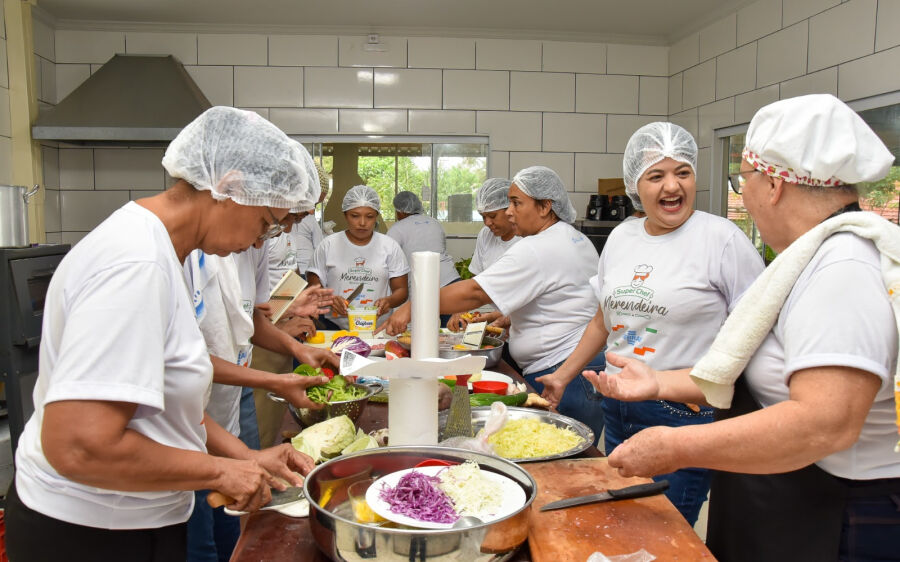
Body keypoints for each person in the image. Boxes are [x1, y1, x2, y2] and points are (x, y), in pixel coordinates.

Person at [587, 94, 899, 561]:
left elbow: (822, 424)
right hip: (791, 497)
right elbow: (757, 365)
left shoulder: (844, 269)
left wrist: (676, 445)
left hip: (836, 514)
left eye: (744, 180)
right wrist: (659, 382)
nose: (743, 195)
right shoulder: (809, 260)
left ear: (772, 184)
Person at [5, 107, 320, 562]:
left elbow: (171, 401)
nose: (259, 241)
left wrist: (246, 457)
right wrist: (218, 472)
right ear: (228, 187)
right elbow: (78, 445)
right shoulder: (136, 264)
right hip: (92, 532)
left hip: (130, 518)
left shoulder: (167, 253)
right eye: (267, 221)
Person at [536, 122, 764, 525]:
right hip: (618, 407)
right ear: (634, 185)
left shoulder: (722, 240)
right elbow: (604, 321)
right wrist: (562, 374)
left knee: (664, 530)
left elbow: (755, 334)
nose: (671, 187)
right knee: (626, 524)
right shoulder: (622, 237)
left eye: (682, 172)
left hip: (683, 414)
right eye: (656, 176)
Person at [182, 145, 337, 562]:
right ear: (233, 191)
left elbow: (249, 321)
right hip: (189, 424)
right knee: (200, 538)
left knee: (234, 526)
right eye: (274, 220)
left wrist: (296, 350)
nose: (278, 231)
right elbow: (183, 367)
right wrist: (277, 381)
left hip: (221, 404)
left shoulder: (245, 243)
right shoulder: (183, 254)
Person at [382, 166, 606, 440]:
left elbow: (475, 293)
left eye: (516, 203)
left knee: (566, 459)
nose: (509, 212)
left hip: (564, 371)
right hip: (579, 368)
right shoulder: (574, 238)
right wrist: (506, 317)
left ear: (546, 206)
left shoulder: (538, 247)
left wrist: (412, 305)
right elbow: (565, 300)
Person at [307, 185, 409, 330]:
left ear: (376, 216)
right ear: (345, 215)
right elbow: (313, 286)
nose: (362, 223)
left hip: (377, 328)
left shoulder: (390, 247)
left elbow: (401, 290)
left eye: (369, 216)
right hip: (334, 328)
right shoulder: (328, 245)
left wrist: (389, 301)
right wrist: (330, 300)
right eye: (355, 216)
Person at [447, 178, 520, 332]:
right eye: (483, 217)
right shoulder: (486, 235)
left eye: (492, 216)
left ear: (510, 209)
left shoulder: (526, 239)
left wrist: (499, 315)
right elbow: (476, 283)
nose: (487, 223)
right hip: (501, 328)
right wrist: (461, 309)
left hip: (527, 327)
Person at [387, 191, 460, 326]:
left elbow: (387, 259)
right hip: (451, 282)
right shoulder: (435, 223)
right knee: (453, 333)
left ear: (400, 211)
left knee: (423, 334)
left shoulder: (396, 229)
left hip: (423, 287)